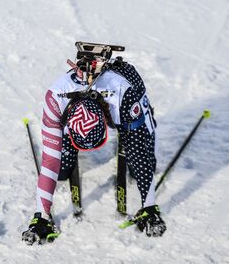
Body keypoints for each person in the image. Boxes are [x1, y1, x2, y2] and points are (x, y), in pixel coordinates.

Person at [22, 42, 166, 245]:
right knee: (61, 171)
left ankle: (129, 133)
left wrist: (149, 206)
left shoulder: (123, 92)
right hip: (77, 112)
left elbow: (139, 151)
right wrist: (41, 215)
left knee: (142, 163)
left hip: (123, 101)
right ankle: (71, 145)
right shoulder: (55, 98)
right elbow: (49, 163)